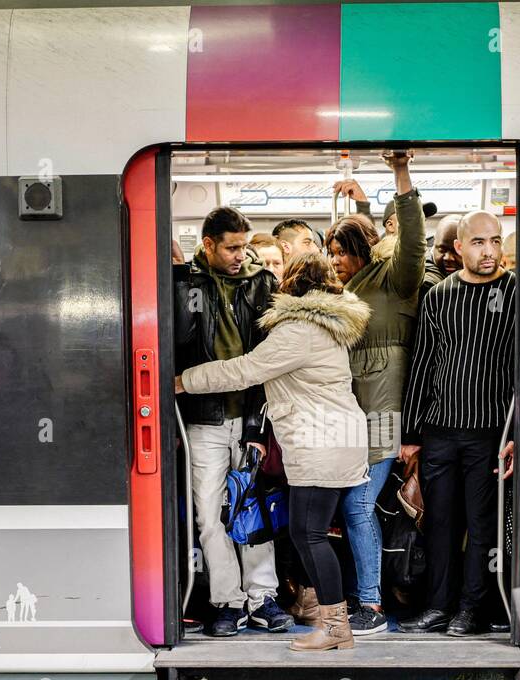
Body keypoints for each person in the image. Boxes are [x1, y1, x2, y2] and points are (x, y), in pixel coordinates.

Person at [176, 253, 371, 651]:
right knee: (306, 533)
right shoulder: (328, 325)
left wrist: (184, 380)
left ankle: (336, 628)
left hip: (321, 442)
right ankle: (336, 626)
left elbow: (244, 370)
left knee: (310, 535)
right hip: (331, 439)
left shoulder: (300, 329)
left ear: (293, 286)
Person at [397, 211, 517, 636]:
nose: (490, 251)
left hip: (490, 432)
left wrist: (518, 433)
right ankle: (438, 607)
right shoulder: (439, 296)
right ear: (459, 248)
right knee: (440, 525)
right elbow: (422, 365)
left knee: (481, 527)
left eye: (496, 241)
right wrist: (410, 435)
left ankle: (473, 609)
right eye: (480, 242)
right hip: (439, 430)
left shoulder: (517, 291)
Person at [174, 206, 291, 637]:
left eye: (244, 246)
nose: (242, 255)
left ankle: (263, 597)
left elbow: (271, 361)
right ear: (208, 244)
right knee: (210, 515)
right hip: (203, 419)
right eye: (232, 248)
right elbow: (178, 344)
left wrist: (261, 429)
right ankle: (227, 600)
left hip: (248, 418)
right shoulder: (184, 283)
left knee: (254, 510)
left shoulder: (262, 284)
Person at [323, 151, 427, 636]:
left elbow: (410, 241)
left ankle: (372, 605)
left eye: (341, 251)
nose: (335, 261)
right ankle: (369, 597)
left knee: (358, 506)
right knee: (355, 506)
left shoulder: (394, 281)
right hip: (351, 414)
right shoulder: (343, 294)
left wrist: (400, 176)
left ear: (362, 250)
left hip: (384, 412)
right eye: (331, 253)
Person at [421, 214, 462, 305]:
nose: (448, 258)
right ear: (434, 244)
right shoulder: (429, 285)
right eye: (442, 250)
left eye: (456, 251)